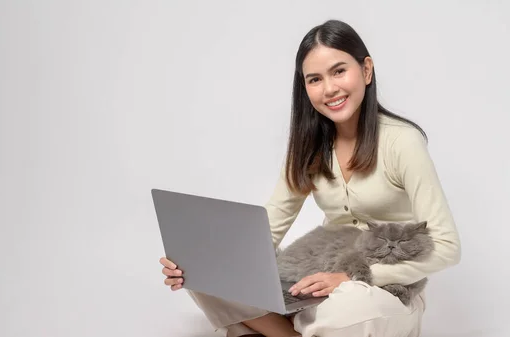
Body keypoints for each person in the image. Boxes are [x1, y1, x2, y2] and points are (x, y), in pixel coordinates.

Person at [159, 19, 461, 337]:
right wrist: (199, 265)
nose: (329, 89)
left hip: (384, 288)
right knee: (209, 277)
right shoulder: (308, 146)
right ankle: (294, 328)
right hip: (320, 276)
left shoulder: (402, 142)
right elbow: (268, 228)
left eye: (339, 71)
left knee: (347, 307)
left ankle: (277, 329)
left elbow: (447, 247)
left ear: (366, 70)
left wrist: (351, 277)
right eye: (314, 79)